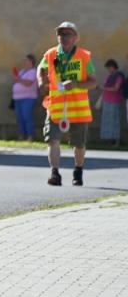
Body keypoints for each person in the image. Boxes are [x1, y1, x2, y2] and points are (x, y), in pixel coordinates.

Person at [40, 21, 96, 186]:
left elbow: (93, 82)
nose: (63, 37)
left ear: (75, 38)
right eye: (60, 34)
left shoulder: (84, 56)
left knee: (79, 144)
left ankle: (78, 171)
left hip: (78, 109)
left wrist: (76, 84)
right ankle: (54, 173)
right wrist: (40, 80)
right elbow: (41, 69)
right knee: (53, 140)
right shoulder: (51, 54)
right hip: (56, 107)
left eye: (67, 34)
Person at [11, 54, 40, 141]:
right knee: (19, 117)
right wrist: (17, 79)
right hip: (17, 98)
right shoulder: (22, 71)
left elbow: (28, 83)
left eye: (27, 60)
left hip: (28, 98)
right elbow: (18, 81)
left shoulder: (33, 72)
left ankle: (30, 136)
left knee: (26, 116)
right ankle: (22, 135)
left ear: (31, 62)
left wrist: (18, 80)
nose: (25, 62)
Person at [101, 60, 125, 145]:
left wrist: (104, 89)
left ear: (113, 66)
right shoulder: (110, 76)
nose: (108, 69)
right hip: (107, 100)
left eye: (109, 67)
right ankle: (109, 139)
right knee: (107, 121)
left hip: (115, 101)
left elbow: (116, 88)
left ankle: (116, 140)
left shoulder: (119, 76)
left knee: (114, 121)